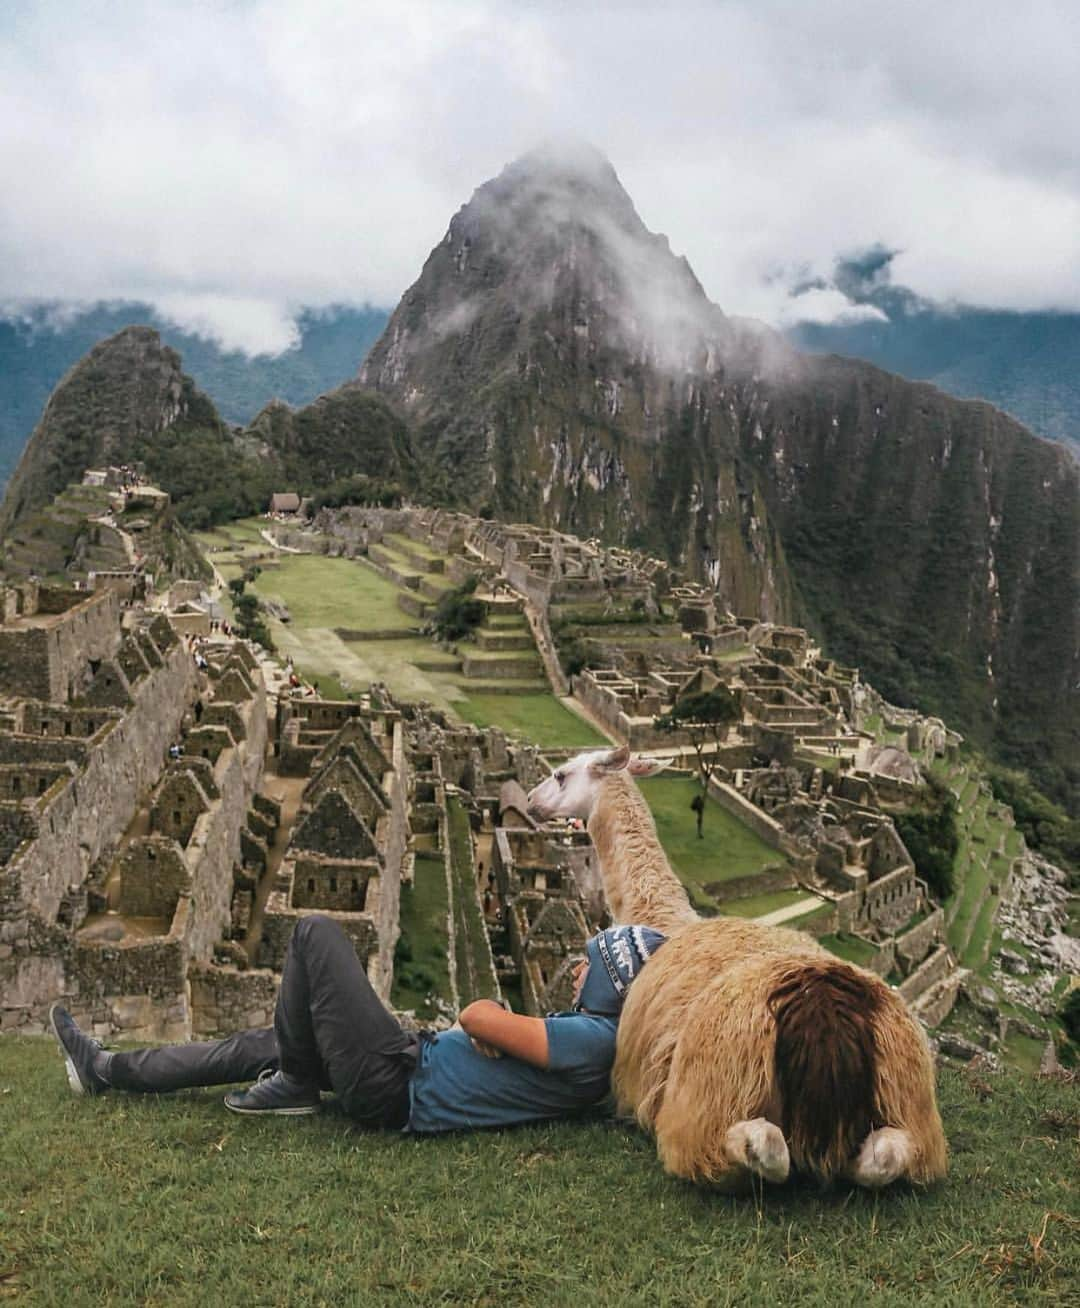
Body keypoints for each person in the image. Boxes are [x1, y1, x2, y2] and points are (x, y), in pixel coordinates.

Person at [48, 917, 665, 1134]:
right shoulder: (592, 1041)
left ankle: (294, 1083)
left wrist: (493, 1016)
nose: (579, 968)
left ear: (616, 980)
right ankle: (105, 1070)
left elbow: (476, 1015)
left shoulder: (594, 1040)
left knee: (315, 932)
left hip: (398, 1082)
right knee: (255, 1045)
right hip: (402, 1068)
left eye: (594, 961)